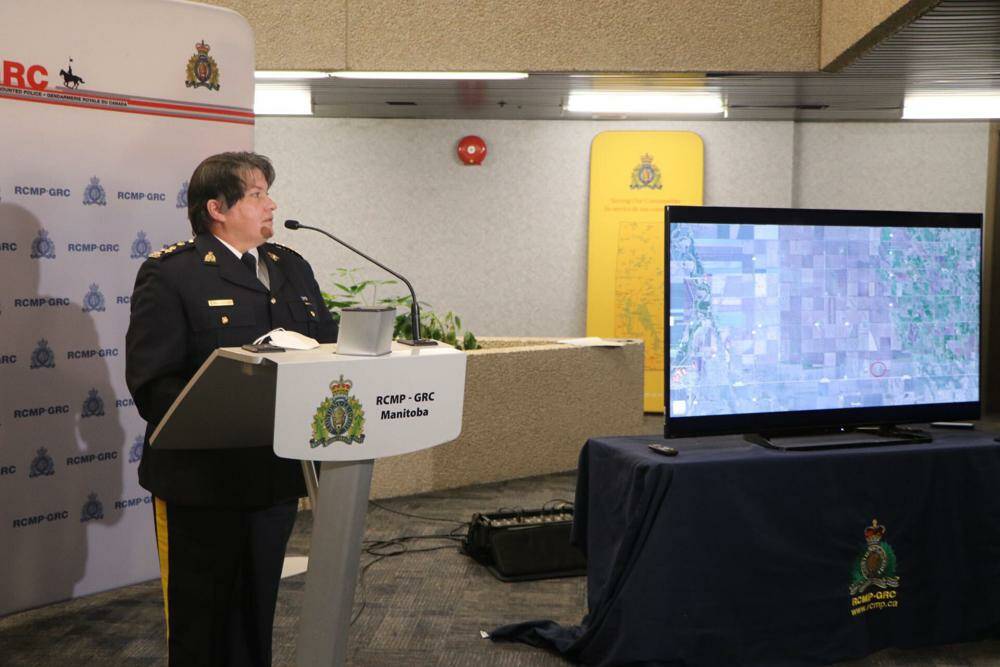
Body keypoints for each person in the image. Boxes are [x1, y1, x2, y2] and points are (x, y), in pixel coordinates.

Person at [125, 152, 337, 666]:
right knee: (202, 617)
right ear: (217, 208)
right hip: (201, 481)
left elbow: (327, 346)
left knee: (256, 607)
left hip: (274, 472)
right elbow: (153, 380)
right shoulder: (172, 273)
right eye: (258, 194)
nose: (272, 204)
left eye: (268, 193)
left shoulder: (290, 265)